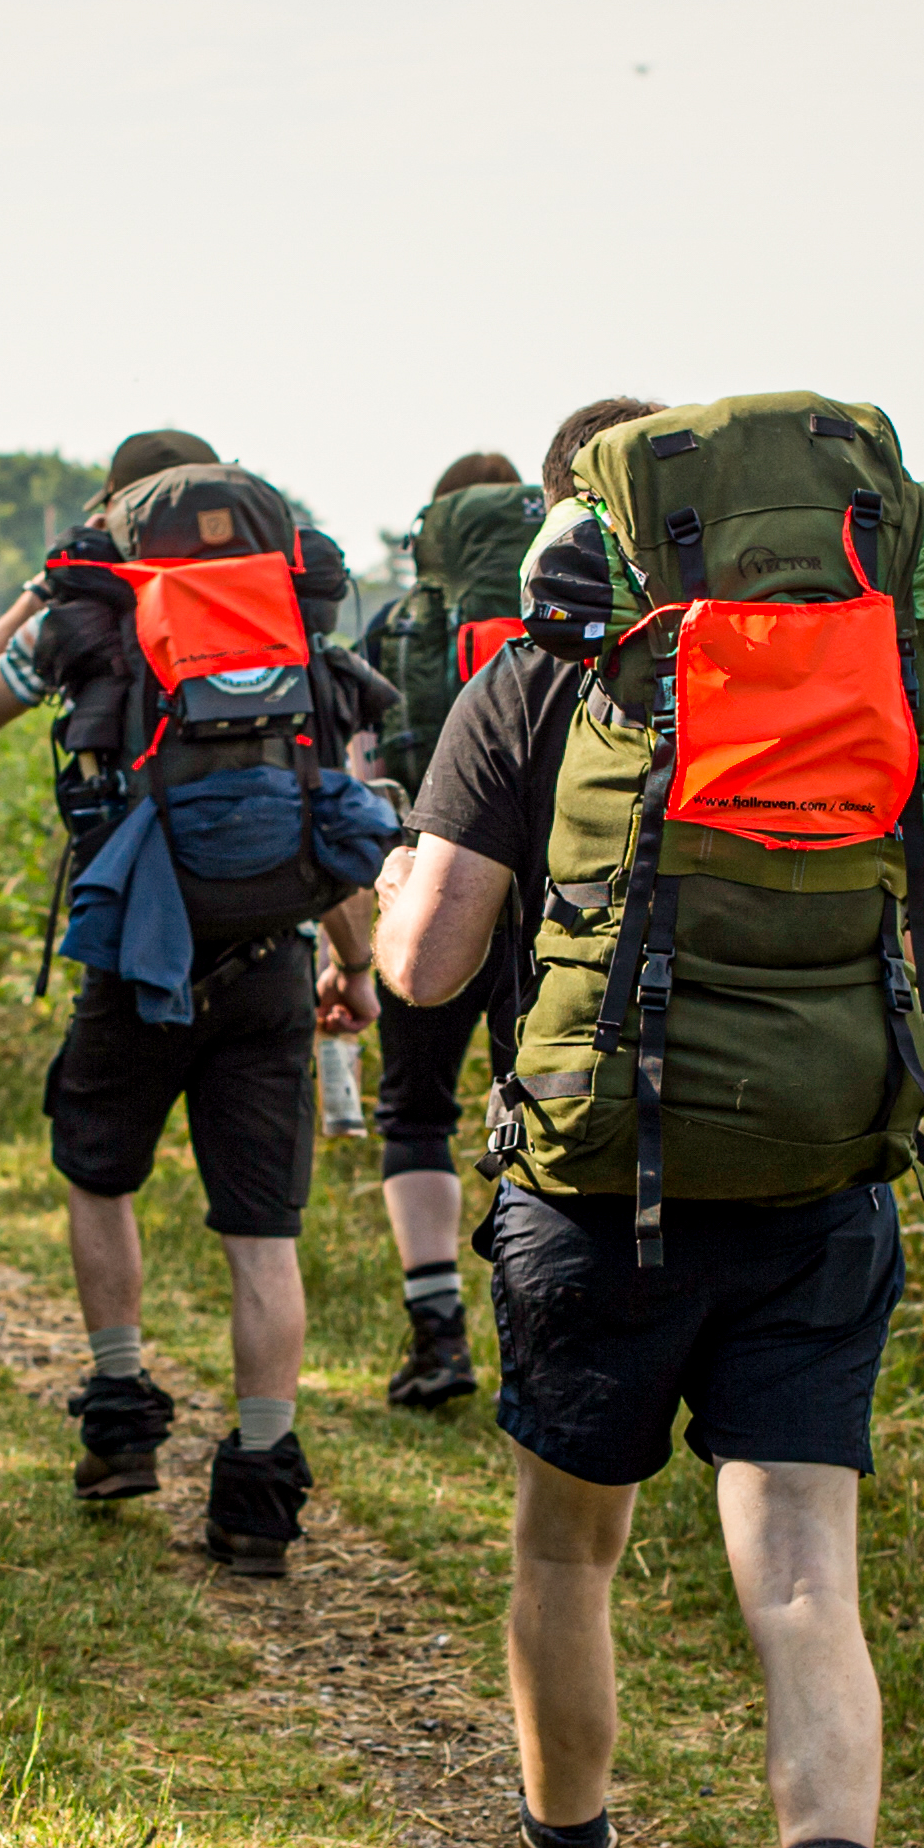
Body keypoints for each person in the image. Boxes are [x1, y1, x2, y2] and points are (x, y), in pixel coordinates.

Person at [369, 389, 924, 1848]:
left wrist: (407, 871)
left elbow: (423, 967)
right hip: (819, 1169)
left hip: (598, 1176)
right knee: (800, 1572)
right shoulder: (857, 656)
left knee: (570, 1543)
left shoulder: (540, 674)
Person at [0, 430, 395, 1577]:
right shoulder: (288, 618)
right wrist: (352, 963)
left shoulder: (89, 614)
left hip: (140, 962)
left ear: (115, 510)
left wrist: (46, 582)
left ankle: (122, 1408)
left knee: (98, 1172)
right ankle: (256, 1489)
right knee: (261, 1234)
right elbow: (318, 808)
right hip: (271, 961)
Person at [356, 439, 583, 1408]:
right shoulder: (566, 623)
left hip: (425, 886)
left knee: (414, 1108)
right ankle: (527, 1342)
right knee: (526, 1114)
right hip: (544, 905)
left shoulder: (396, 629)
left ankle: (437, 1331)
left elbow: (359, 768)